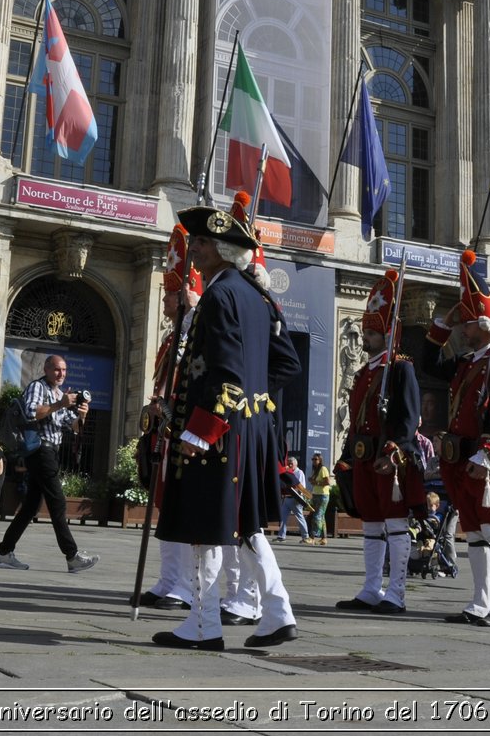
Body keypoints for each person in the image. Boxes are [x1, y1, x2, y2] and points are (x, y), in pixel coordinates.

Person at [151, 198, 302, 651]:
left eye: (201, 242)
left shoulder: (219, 295)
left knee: (207, 525)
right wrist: (253, 394)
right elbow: (280, 363)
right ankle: (277, 612)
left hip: (220, 431)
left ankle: (202, 626)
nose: (193, 249)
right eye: (195, 240)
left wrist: (204, 428)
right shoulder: (256, 296)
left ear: (221, 248)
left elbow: (226, 371)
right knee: (246, 525)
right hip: (250, 428)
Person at [421, 250, 490, 628]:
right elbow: (429, 362)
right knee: (476, 532)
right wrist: (442, 323)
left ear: (483, 325)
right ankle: (482, 600)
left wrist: (488, 451)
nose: (461, 331)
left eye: (466, 325)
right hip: (460, 457)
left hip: (486, 457)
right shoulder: (468, 362)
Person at [336, 268, 423, 614]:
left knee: (396, 525)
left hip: (388, 460)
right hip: (364, 459)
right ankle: (371, 588)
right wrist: (346, 456)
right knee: (371, 524)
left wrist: (396, 451)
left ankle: (396, 592)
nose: (365, 338)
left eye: (371, 333)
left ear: (387, 334)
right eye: (366, 331)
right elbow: (356, 422)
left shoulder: (400, 369)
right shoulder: (364, 373)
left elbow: (409, 417)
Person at [135, 224, 198, 611]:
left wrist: (169, 408)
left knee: (182, 509)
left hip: (185, 433)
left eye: (169, 296)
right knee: (164, 506)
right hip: (165, 433)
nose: (163, 303)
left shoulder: (194, 336)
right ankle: (168, 579)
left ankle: (185, 586)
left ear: (185, 295)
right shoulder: (171, 339)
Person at [0, 355, 99, 574]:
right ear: (47, 369)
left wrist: (81, 415)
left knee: (30, 506)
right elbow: (31, 414)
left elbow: (74, 428)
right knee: (58, 503)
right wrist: (60, 404)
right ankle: (72, 555)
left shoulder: (61, 394)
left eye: (64, 370)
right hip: (40, 450)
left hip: (51, 452)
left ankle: (4, 552)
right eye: (57, 369)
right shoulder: (38, 387)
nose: (61, 374)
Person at [275, 455, 311, 543]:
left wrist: (295, 492)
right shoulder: (287, 472)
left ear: (296, 464)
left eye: (291, 464)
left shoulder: (299, 472)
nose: (290, 465)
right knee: (283, 517)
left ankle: (305, 537)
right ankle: (281, 536)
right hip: (287, 498)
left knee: (299, 517)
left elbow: (301, 486)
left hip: (295, 499)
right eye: (288, 463)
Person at [307, 452, 333, 545]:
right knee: (321, 517)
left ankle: (312, 537)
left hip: (323, 495)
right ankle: (324, 538)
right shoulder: (315, 470)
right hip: (316, 494)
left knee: (317, 516)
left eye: (315, 459)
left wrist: (316, 482)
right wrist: (312, 481)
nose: (314, 461)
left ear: (320, 460)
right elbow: (316, 482)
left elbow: (327, 482)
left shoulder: (323, 468)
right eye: (312, 459)